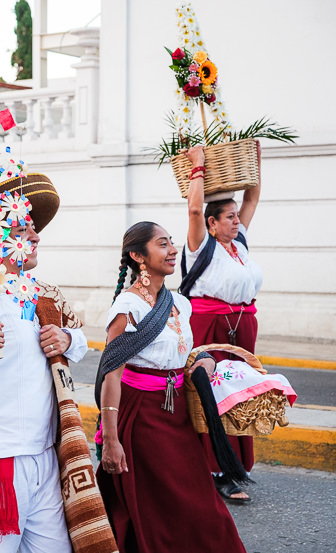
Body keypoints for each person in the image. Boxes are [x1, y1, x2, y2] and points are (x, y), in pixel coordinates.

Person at [0, 174, 91, 552]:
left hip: (43, 452)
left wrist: (67, 339)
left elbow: (80, 341)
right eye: (25, 229)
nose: (37, 236)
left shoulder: (42, 294)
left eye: (34, 229)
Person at [95, 221, 246, 553]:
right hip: (142, 417)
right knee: (158, 508)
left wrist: (202, 362)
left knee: (201, 501)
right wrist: (110, 440)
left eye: (171, 243)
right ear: (138, 256)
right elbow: (112, 375)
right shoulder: (128, 308)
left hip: (178, 414)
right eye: (162, 244)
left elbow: (180, 354)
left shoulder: (181, 303)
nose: (173, 250)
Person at [181, 143, 263, 503]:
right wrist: (198, 166)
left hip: (242, 327)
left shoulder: (238, 244)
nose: (236, 220)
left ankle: (237, 465)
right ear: (212, 224)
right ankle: (217, 470)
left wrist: (254, 162)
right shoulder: (201, 244)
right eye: (228, 217)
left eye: (235, 216)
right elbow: (195, 207)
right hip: (210, 328)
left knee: (241, 394)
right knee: (213, 398)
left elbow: (253, 198)